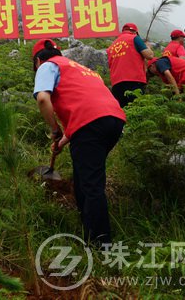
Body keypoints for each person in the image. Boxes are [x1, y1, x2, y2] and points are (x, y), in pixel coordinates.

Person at [32, 39, 125, 245]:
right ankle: (87, 229)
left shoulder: (47, 66)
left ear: (38, 61)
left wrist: (55, 131)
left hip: (91, 125)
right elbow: (87, 114)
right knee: (83, 176)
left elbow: (43, 99)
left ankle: (100, 245)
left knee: (91, 184)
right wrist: (62, 142)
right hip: (114, 121)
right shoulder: (83, 69)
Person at [106, 23, 155, 107]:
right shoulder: (134, 38)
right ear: (135, 32)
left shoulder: (112, 46)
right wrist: (148, 47)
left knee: (122, 110)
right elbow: (149, 56)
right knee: (136, 110)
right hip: (134, 80)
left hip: (116, 83)